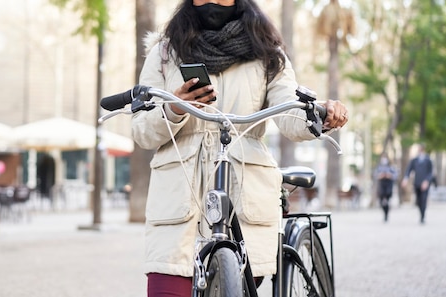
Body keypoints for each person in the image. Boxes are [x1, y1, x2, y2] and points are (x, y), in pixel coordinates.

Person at [131, 0, 350, 296]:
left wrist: (320, 115)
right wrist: (174, 108)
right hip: (178, 201)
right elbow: (142, 130)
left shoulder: (266, 53)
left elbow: (288, 111)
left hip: (242, 191)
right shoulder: (165, 53)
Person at [401, 144, 433, 224]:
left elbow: (430, 173)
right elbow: (409, 170)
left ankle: (423, 216)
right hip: (417, 183)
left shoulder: (428, 160)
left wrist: (426, 181)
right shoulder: (414, 160)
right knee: (418, 201)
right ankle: (421, 213)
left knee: (423, 199)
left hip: (425, 184)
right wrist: (405, 179)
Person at [374, 155, 397, 222]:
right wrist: (380, 175)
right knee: (381, 201)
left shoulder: (391, 167)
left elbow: (395, 175)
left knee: (387, 200)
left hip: (388, 185)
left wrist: (389, 175)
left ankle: (386, 214)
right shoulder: (379, 167)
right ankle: (385, 213)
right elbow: (375, 175)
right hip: (381, 185)